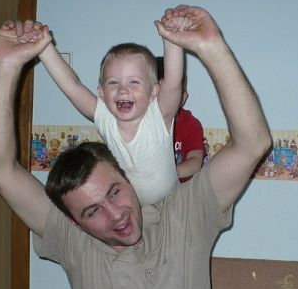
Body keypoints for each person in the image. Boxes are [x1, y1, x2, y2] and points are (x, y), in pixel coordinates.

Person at [0, 5, 272, 289]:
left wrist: (211, 46)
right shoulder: (73, 238)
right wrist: (5, 66)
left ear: (125, 175)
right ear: (77, 222)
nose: (115, 215)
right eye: (92, 211)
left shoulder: (187, 213)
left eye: (114, 191)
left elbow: (253, 143)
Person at [37, 14, 186, 205]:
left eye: (134, 82)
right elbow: (72, 87)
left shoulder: (159, 117)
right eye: (113, 82)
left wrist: (172, 39)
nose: (123, 89)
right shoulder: (105, 118)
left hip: (171, 203)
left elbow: (173, 82)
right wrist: (44, 48)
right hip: (132, 208)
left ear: (153, 92)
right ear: (101, 92)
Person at [156, 56, 206, 182]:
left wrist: (170, 175)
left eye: (169, 95)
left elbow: (195, 162)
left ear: (183, 98)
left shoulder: (190, 125)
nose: (162, 101)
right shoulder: (139, 123)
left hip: (181, 186)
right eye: (156, 95)